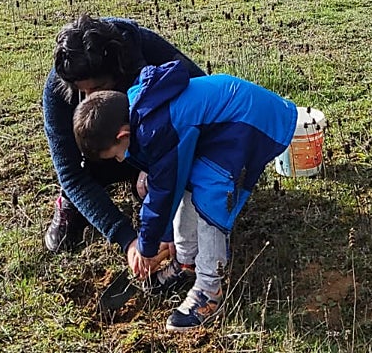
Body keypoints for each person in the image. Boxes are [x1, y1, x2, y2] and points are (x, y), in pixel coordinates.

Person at [74, 61, 297, 332]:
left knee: (210, 202)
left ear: (123, 134)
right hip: (223, 128)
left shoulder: (156, 128)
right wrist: (164, 236)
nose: (122, 160)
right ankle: (186, 263)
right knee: (190, 187)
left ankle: (209, 292)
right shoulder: (139, 111)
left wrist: (146, 246)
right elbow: (172, 182)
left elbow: (163, 193)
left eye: (117, 154)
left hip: (247, 123)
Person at [42, 15, 205, 291]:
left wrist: (158, 166)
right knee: (65, 237)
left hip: (150, 143)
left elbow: (200, 97)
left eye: (96, 89)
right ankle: (70, 204)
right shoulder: (60, 87)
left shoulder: (146, 50)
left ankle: (144, 190)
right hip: (98, 155)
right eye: (82, 91)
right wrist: (126, 238)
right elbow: (70, 172)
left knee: (156, 192)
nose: (88, 98)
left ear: (119, 73)